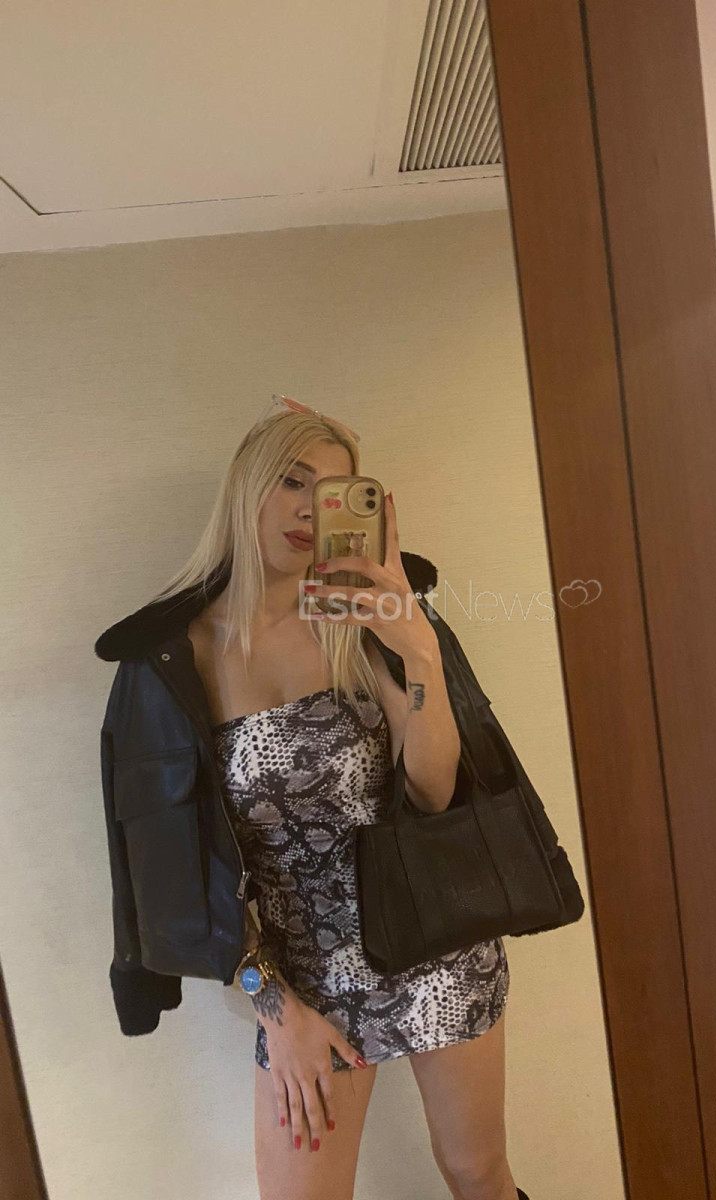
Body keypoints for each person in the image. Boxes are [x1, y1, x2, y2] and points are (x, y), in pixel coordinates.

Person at [144, 401, 523, 1200]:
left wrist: (418, 647)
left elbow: (434, 792)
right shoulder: (176, 660)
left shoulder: (359, 622)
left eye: (334, 494)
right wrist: (275, 1011)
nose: (309, 512)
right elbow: (179, 876)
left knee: (479, 1175)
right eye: (292, 481)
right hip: (305, 976)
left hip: (436, 939)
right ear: (246, 486)